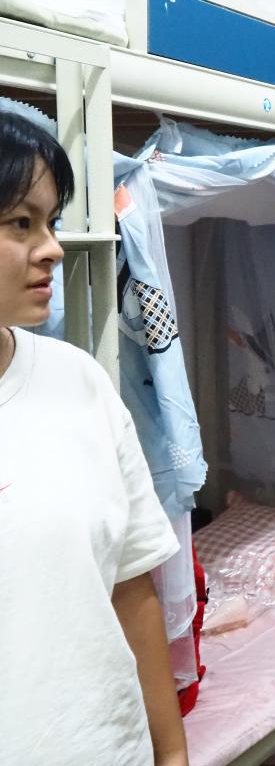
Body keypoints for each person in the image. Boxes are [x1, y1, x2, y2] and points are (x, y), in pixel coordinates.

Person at [0, 112, 189, 765]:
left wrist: (171, 755)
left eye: (51, 222)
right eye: (20, 223)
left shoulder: (79, 381)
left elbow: (131, 589)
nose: (52, 248)